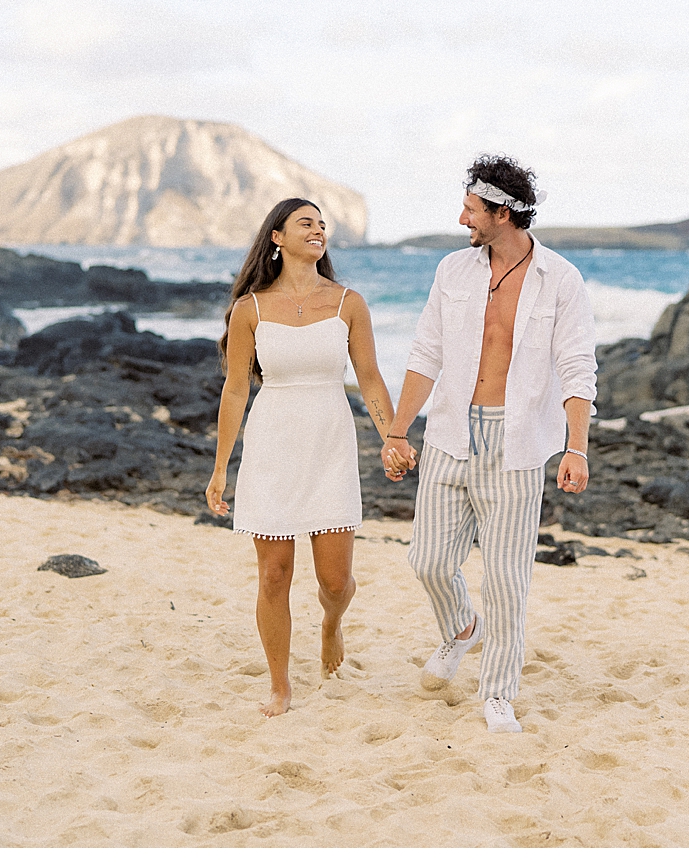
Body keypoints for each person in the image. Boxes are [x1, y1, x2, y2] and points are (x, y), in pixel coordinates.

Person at [381, 155, 597, 734]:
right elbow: (426, 354)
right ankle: (461, 628)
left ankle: (497, 691)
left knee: (506, 579)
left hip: (518, 440)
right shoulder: (453, 270)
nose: (461, 219)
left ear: (503, 213)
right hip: (450, 433)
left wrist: (576, 447)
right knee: (427, 560)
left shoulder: (561, 279)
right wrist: (397, 431)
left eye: (471, 210)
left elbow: (577, 367)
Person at [207, 197, 404, 718]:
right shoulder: (249, 309)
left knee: (335, 582)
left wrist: (392, 436)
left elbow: (370, 378)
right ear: (278, 238)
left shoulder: (348, 304)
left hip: (329, 444)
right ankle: (279, 683)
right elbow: (234, 392)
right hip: (272, 443)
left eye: (322, 225)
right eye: (306, 223)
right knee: (274, 574)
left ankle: (331, 625)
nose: (318, 231)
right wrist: (220, 466)